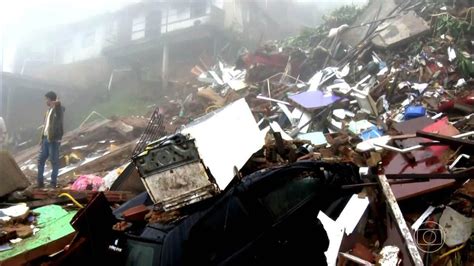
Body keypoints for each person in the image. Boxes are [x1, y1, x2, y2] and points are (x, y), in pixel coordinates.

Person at [37, 91, 64, 188]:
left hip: (53, 140)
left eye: (47, 99)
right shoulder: (48, 111)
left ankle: (53, 183)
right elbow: (46, 126)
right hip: (45, 139)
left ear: (51, 99)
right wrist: (41, 138)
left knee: (54, 161)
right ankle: (40, 182)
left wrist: (57, 103)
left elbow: (60, 108)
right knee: (40, 160)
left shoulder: (59, 110)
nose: (46, 101)